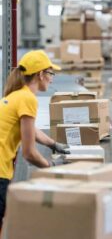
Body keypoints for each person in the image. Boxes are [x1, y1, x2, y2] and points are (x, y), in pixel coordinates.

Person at [0, 50, 69, 229]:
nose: (52, 78)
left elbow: (31, 130)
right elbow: (29, 153)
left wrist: (53, 144)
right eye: (50, 73)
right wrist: (51, 167)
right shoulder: (28, 99)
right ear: (40, 74)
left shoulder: (16, 95)